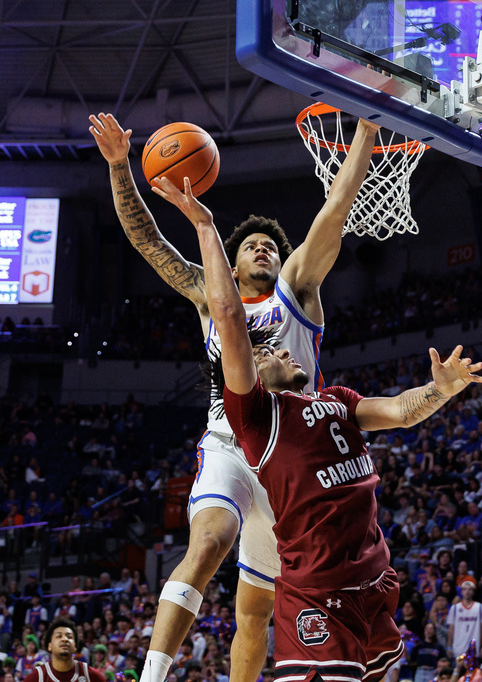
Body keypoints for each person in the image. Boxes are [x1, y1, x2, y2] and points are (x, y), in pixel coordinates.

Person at [89, 110, 379, 682]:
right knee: (209, 542)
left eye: (271, 244)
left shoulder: (297, 290)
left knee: (255, 613)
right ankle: (151, 676)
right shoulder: (207, 292)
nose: (263, 250)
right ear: (233, 258)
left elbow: (334, 212)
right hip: (228, 441)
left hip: (289, 459)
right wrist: (122, 167)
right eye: (251, 245)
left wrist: (366, 135)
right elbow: (147, 240)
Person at [169, 173, 482, 682]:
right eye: (267, 351)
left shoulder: (338, 399)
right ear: (253, 375)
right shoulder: (257, 421)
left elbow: (403, 411)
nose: (281, 349)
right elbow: (227, 316)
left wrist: (441, 392)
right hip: (318, 595)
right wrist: (205, 227)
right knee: (241, 598)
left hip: (375, 585)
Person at [22, 618, 106, 682]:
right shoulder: (36, 677)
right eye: (59, 636)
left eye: (69, 637)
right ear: (49, 646)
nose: (65, 639)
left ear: (75, 646)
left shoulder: (91, 676)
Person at [448, 581, 482, 659]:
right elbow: (451, 629)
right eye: (465, 589)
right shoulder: (455, 608)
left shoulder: (480, 607)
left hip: (474, 648)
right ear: (461, 592)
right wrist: (449, 646)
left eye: (470, 589)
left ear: (473, 592)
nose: (467, 591)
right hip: (458, 647)